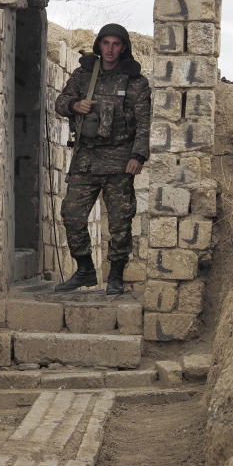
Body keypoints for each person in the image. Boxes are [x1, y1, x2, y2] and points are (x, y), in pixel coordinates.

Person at [53, 23, 151, 295]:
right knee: (71, 214)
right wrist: (75, 105)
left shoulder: (135, 81)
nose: (110, 50)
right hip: (86, 158)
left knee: (120, 221)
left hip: (120, 160)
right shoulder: (84, 75)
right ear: (98, 45)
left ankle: (116, 276)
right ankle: (85, 270)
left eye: (115, 44)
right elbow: (60, 102)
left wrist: (138, 156)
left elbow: (144, 122)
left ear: (123, 47)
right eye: (105, 43)